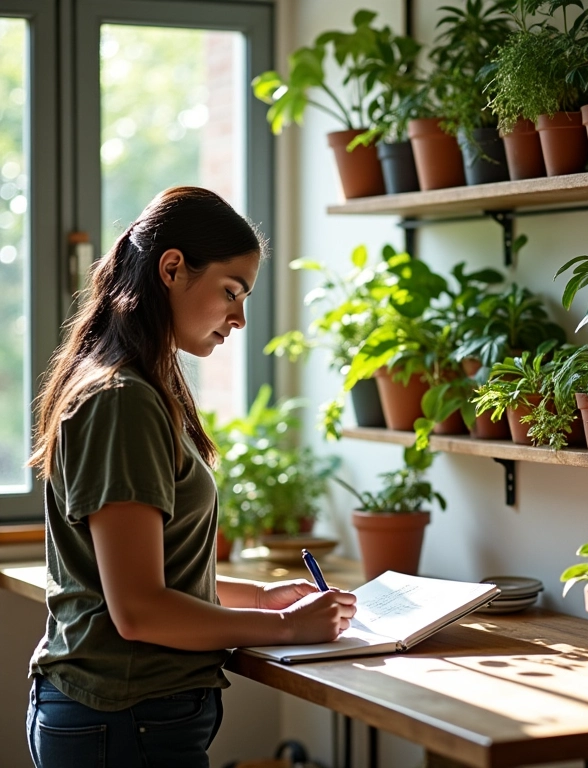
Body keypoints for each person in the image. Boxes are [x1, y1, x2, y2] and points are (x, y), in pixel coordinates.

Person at [25, 186, 357, 768]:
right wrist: (281, 626)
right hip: (123, 722)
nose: (240, 318)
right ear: (173, 268)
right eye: (231, 291)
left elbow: (153, 577)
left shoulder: (146, 387)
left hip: (128, 719)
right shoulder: (122, 399)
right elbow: (139, 610)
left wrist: (260, 596)